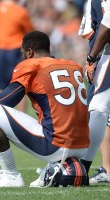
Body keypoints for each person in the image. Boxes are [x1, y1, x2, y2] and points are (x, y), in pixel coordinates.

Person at [0, 31, 89, 187]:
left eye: (22, 53)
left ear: (29, 52)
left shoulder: (32, 64)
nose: (22, 57)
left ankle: (11, 176)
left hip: (56, 145)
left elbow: (3, 101)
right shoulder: (73, 66)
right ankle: (56, 168)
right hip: (82, 146)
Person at [0, 0, 33, 113]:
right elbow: (31, 33)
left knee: (0, 87)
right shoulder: (20, 11)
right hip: (18, 51)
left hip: (2, 52)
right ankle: (22, 118)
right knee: (20, 87)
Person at [79, 0, 110, 184]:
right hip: (103, 54)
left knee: (99, 109)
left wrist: (91, 58)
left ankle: (86, 166)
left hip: (106, 55)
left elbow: (106, 25)